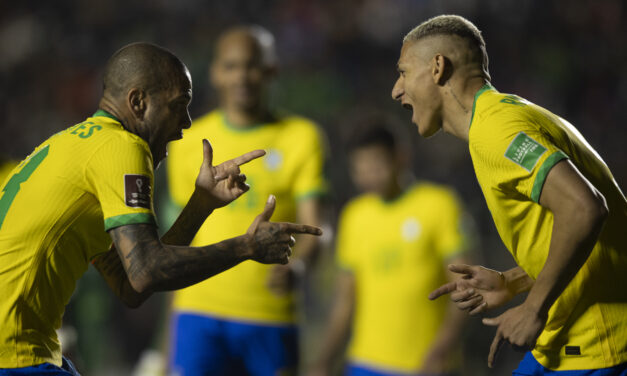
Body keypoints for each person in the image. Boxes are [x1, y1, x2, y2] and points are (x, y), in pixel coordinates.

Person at [0, 42, 322, 376]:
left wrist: (200, 205)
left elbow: (131, 286)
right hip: (15, 354)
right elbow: (147, 270)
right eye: (179, 105)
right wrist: (247, 245)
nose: (185, 123)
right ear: (138, 102)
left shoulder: (72, 144)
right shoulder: (122, 146)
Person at [392, 14, 627, 375]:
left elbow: (585, 208)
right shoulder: (508, 116)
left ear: (438, 67)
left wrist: (533, 308)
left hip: (596, 346)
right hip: (567, 341)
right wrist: (512, 282)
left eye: (404, 72)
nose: (397, 89)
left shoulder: (496, 132)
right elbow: (579, 234)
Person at [166, 26, 327, 375]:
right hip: (197, 311)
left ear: (272, 71)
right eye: (231, 65)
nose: (241, 76)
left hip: (269, 313)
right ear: (215, 72)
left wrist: (299, 266)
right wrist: (167, 333)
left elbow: (318, 224)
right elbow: (180, 237)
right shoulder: (185, 144)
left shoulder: (303, 137)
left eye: (252, 65)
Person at [308, 120, 473, 376]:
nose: (368, 176)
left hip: (427, 366)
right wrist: (324, 359)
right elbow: (345, 299)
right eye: (360, 169)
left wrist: (441, 350)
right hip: (364, 364)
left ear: (401, 157)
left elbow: (464, 288)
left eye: (375, 165)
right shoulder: (354, 216)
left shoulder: (440, 205)